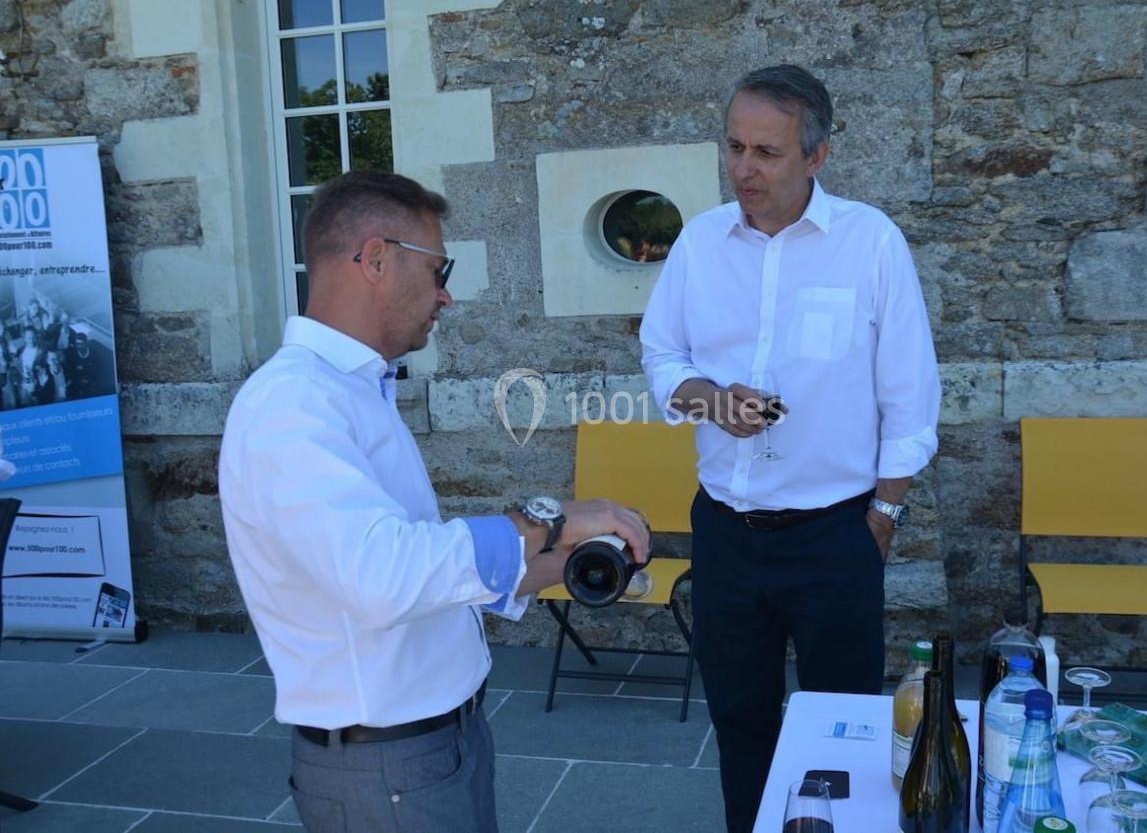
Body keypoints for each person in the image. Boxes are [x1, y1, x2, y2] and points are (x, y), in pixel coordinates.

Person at [218, 170, 649, 833]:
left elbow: (422, 570)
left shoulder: (349, 390)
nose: (446, 296)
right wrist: (553, 517)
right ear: (377, 259)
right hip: (387, 770)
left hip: (428, 751)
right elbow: (383, 580)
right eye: (439, 267)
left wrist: (567, 563)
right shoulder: (294, 404)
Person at [640, 64, 941, 832]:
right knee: (741, 729)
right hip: (726, 534)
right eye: (734, 146)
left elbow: (909, 395)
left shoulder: (870, 243)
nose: (743, 168)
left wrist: (884, 515)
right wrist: (708, 398)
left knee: (842, 731)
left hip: (836, 536)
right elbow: (661, 353)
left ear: (817, 157)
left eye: (766, 152)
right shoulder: (702, 242)